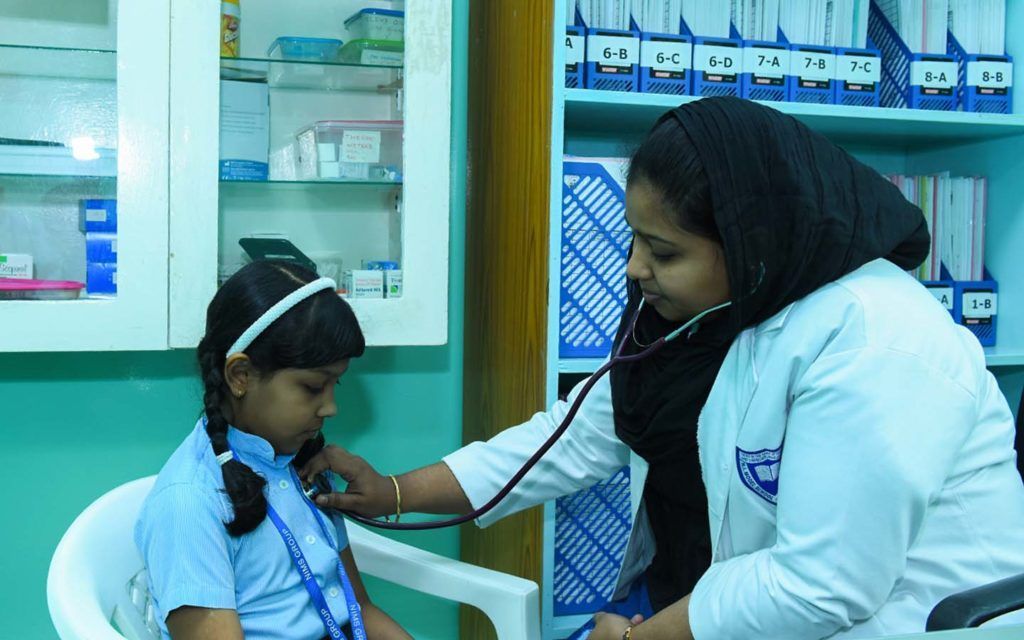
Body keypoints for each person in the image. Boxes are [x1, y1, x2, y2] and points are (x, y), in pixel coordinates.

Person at [301, 98, 1024, 640]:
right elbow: (564, 442)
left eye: (664, 251)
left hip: (904, 621)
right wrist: (394, 492)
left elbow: (821, 587)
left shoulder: (875, 342)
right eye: (634, 239)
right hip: (724, 605)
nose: (634, 268)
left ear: (748, 240)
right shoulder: (702, 317)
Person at [135, 260, 411, 640]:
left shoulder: (303, 464)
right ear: (241, 376)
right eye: (313, 387)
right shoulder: (188, 503)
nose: (331, 408)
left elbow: (358, 609)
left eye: (336, 385)